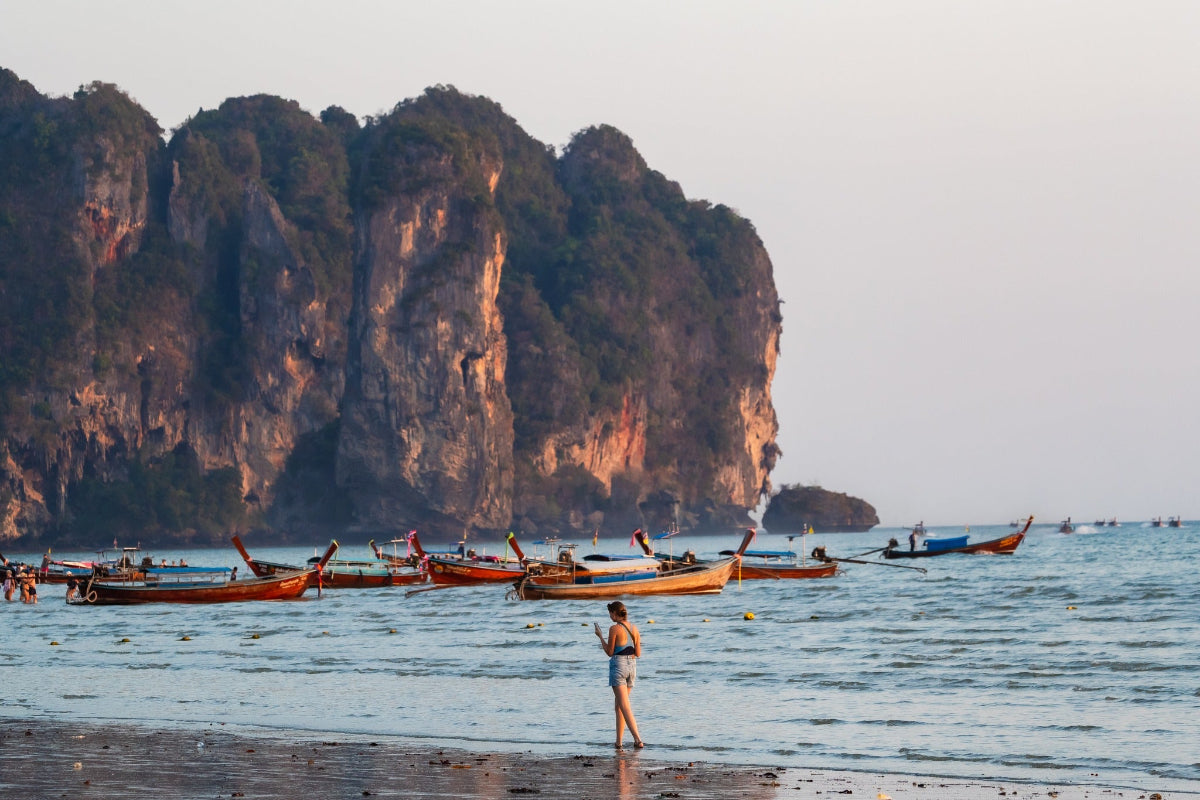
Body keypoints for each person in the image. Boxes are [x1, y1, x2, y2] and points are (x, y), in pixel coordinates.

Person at [594, 600, 644, 749]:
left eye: (610, 613)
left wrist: (600, 636)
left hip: (619, 666)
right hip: (632, 667)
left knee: (624, 705)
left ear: (615, 614)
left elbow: (609, 652)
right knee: (619, 706)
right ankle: (618, 742)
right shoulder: (634, 628)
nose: (610, 616)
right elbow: (638, 653)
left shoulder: (614, 629)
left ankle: (638, 739)